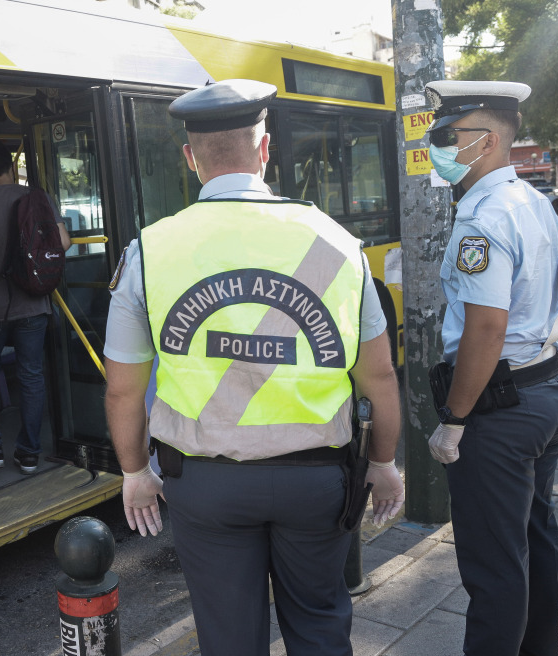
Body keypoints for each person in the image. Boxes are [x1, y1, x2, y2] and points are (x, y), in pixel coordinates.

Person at [102, 79, 403, 655]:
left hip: (205, 484)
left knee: (229, 637)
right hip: (319, 482)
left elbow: (122, 391)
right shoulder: (338, 243)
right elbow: (379, 376)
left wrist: (135, 473)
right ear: (264, 150)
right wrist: (385, 462)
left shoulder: (151, 250)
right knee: (319, 624)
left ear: (190, 159)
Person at [423, 79, 558, 656]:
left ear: (483, 141)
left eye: (445, 135)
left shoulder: (482, 215)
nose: (435, 145)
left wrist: (455, 418)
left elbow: (486, 329)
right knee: (535, 543)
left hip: (500, 409)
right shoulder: (532, 200)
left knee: (493, 566)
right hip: (548, 388)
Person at [0, 142, 71, 473]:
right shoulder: (37, 197)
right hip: (33, 303)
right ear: (10, 166)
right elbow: (62, 244)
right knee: (32, 375)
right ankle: (29, 452)